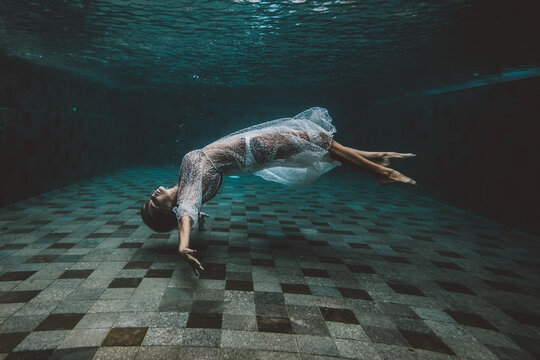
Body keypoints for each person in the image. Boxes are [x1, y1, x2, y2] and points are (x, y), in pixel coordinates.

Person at [140, 107, 416, 275]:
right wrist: (182, 246)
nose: (153, 195)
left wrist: (197, 221)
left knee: (317, 143)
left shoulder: (191, 185)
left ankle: (376, 160)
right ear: (168, 212)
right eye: (154, 204)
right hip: (253, 147)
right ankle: (381, 171)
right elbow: (186, 210)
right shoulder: (189, 185)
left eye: (149, 199)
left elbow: (191, 209)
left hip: (251, 149)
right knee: (316, 139)